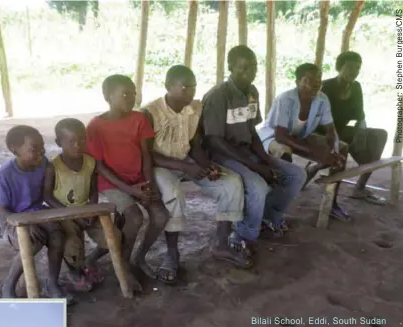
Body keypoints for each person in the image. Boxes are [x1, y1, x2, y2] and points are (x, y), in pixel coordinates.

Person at [142, 65, 252, 283]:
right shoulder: (149, 113)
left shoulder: (195, 108)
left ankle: (221, 243)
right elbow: (147, 155)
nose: (190, 92)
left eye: (193, 87)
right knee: (173, 194)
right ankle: (172, 253)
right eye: (184, 87)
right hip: (160, 165)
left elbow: (193, 143)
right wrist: (186, 167)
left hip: (186, 160)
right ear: (168, 87)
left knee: (231, 182)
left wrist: (206, 164)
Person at [201, 45, 306, 249]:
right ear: (230, 67)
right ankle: (243, 233)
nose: (250, 71)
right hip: (222, 154)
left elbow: (252, 131)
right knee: (257, 186)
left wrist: (266, 159)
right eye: (244, 67)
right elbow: (214, 140)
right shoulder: (218, 96)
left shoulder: (252, 92)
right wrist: (255, 166)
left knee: (295, 175)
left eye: (254, 66)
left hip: (246, 150)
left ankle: (268, 215)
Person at [86, 74, 169, 289]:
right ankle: (123, 264)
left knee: (161, 215)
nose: (131, 98)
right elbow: (100, 167)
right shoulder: (95, 126)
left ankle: (137, 257)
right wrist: (129, 189)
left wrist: (148, 184)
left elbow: (146, 155)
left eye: (133, 93)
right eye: (124, 94)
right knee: (134, 217)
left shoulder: (139, 119)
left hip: (139, 180)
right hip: (112, 183)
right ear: (107, 97)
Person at [0, 125, 68, 300]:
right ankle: (7, 286)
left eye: (42, 146)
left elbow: (47, 195)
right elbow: (4, 213)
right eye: (34, 148)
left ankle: (51, 283)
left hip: (37, 214)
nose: (41, 151)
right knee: (31, 243)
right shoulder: (4, 175)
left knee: (58, 235)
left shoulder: (43, 164)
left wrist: (67, 212)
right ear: (14, 149)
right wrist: (26, 226)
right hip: (12, 220)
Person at [258, 63, 349, 220]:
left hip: (301, 136)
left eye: (319, 78)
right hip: (273, 136)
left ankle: (332, 202)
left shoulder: (322, 99)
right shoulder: (285, 99)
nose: (316, 83)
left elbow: (330, 130)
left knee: (342, 149)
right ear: (298, 81)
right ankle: (273, 207)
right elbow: (281, 135)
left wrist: (333, 151)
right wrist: (316, 152)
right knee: (284, 154)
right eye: (309, 79)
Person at [44, 118, 121, 291]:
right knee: (72, 245)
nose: (78, 145)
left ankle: (89, 261)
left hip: (87, 210)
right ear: (59, 143)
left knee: (114, 237)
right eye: (71, 142)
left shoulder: (90, 162)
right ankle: (75, 271)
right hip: (63, 214)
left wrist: (92, 210)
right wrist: (71, 215)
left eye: (82, 140)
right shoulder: (52, 167)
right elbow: (47, 196)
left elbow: (93, 190)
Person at [321, 51, 389, 205]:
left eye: (358, 68)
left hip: (341, 130)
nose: (354, 71)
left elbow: (360, 116)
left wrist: (361, 132)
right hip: (323, 132)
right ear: (339, 67)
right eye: (350, 67)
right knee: (345, 145)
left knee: (380, 135)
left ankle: (360, 186)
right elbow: (317, 119)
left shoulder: (356, 87)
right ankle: (332, 202)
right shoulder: (326, 87)